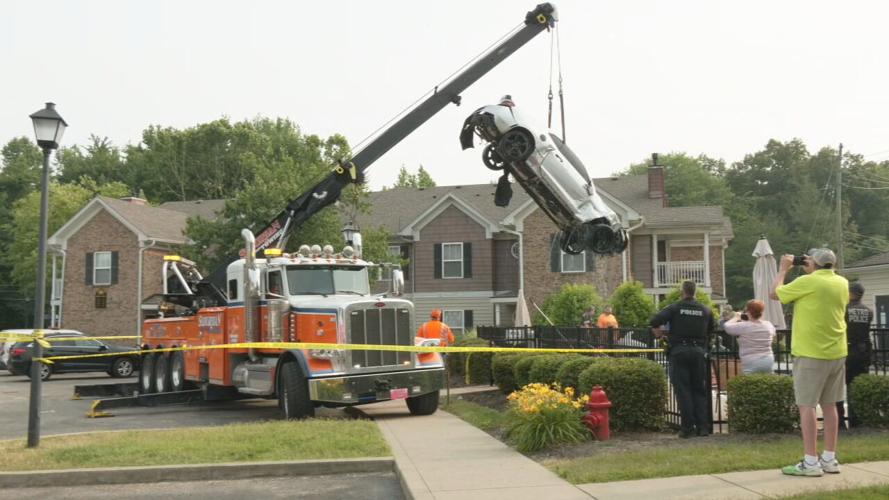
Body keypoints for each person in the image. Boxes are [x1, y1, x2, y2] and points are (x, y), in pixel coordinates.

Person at [771, 248, 848, 477]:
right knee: (830, 405)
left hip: (811, 353)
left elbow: (775, 293)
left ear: (813, 263)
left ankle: (811, 461)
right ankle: (829, 458)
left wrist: (783, 269)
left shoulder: (808, 282)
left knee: (807, 406)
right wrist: (811, 268)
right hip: (837, 351)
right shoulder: (842, 282)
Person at [650, 281, 716, 438]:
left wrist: (660, 334)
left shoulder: (675, 307)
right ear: (695, 292)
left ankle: (687, 428)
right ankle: (703, 427)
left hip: (679, 351)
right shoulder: (705, 310)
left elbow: (654, 321)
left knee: (683, 390)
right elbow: (711, 330)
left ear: (683, 292)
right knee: (699, 390)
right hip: (698, 352)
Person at [836, 282, 873, 429]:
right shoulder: (868, 311)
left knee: (838, 387)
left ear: (850, 293)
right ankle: (856, 422)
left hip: (845, 350)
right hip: (863, 352)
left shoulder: (843, 309)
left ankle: (839, 422)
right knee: (856, 387)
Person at [723, 299, 776, 374]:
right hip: (768, 360)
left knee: (749, 380)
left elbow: (726, 326)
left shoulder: (744, 326)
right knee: (767, 380)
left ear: (748, 312)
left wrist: (736, 317)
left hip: (750, 361)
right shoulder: (768, 325)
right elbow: (773, 335)